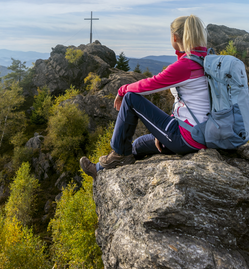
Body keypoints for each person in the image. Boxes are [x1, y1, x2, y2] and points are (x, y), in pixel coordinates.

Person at [80, 15, 210, 178]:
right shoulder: (206, 61)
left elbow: (150, 84)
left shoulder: (186, 65)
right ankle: (99, 169)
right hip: (202, 134)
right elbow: (193, 104)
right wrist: (161, 132)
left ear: (175, 37)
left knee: (130, 98)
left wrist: (122, 90)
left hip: (187, 137)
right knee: (139, 144)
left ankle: (118, 155)